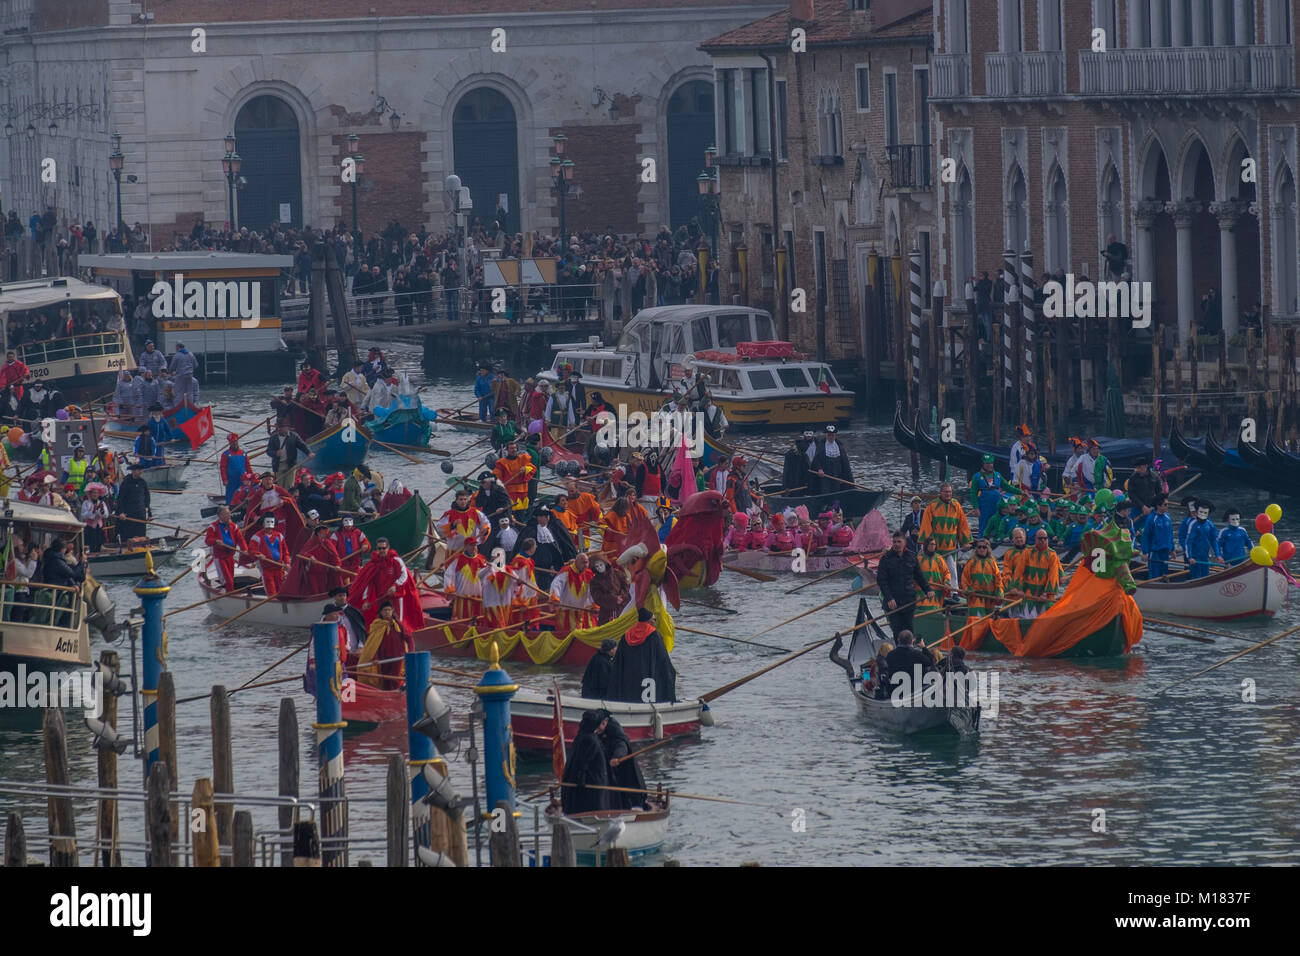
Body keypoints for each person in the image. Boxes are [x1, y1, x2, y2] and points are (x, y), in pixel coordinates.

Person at [348, 536, 423, 629]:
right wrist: (366, 600)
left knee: (397, 623)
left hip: (395, 597)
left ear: (388, 548)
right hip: (381, 599)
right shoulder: (373, 564)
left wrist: (395, 586)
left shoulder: (396, 561)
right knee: (383, 623)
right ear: (376, 549)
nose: (382, 550)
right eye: (379, 548)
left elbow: (404, 576)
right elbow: (368, 584)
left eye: (384, 548)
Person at [607, 607, 676, 703]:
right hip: (647, 677)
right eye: (654, 619)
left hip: (629, 676)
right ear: (648, 621)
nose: (655, 622)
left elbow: (619, 659)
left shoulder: (626, 635)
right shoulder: (654, 635)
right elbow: (663, 658)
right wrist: (670, 672)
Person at [876, 530, 930, 638]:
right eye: (894, 542)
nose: (896, 544)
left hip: (908, 601)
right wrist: (889, 597)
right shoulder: (886, 559)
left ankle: (909, 650)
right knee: (897, 631)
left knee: (909, 630)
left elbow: (919, 576)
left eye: (899, 542)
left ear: (904, 542)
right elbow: (881, 580)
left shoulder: (911, 557)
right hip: (893, 603)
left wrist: (928, 590)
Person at [511, 506, 577, 590]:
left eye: (545, 516)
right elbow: (522, 549)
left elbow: (565, 544)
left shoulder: (555, 527)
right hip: (537, 568)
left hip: (555, 567)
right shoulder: (530, 530)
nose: (542, 519)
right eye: (540, 516)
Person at [919, 481, 972, 583]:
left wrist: (965, 541)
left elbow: (963, 525)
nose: (948, 494)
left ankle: (953, 592)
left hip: (951, 547)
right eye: (946, 492)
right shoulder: (932, 506)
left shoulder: (956, 506)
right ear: (940, 493)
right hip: (936, 547)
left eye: (950, 492)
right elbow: (926, 526)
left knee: (952, 570)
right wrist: (928, 544)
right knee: (935, 569)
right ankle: (935, 588)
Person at [560, 711, 609, 814]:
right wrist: (581, 780)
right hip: (591, 784)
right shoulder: (589, 739)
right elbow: (582, 763)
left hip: (589, 781)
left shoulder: (583, 736)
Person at [597, 710, 647, 810]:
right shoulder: (598, 733)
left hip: (623, 770)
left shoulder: (615, 732)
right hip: (609, 771)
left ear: (605, 722)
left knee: (626, 793)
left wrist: (617, 757)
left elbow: (621, 746)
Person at [357, 601, 412, 689]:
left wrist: (410, 653)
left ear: (392, 611)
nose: (387, 612)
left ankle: (396, 696)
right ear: (381, 612)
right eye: (385, 610)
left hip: (397, 657)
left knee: (395, 679)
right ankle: (387, 697)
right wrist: (375, 658)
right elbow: (373, 645)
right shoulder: (376, 625)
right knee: (385, 679)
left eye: (389, 610)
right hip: (383, 658)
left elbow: (409, 638)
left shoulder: (398, 625)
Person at [1016, 529, 1062, 618]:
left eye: (1045, 538)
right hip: (1029, 593)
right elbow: (1019, 571)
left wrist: (1046, 594)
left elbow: (1053, 576)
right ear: (1036, 539)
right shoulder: (1027, 551)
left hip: (1045, 595)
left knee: (1046, 617)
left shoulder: (1052, 554)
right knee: (1027, 616)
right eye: (1040, 538)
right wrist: (1019, 589)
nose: (1043, 541)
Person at [204, 506, 249, 592]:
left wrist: (244, 550)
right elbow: (208, 541)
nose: (228, 516)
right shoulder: (213, 527)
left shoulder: (234, 526)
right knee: (227, 579)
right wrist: (215, 541)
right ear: (220, 515)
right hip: (220, 557)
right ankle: (230, 594)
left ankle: (230, 592)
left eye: (229, 514)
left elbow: (240, 539)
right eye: (226, 514)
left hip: (230, 556)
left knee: (231, 577)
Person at [549, 551, 596, 631]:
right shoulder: (566, 572)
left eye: (587, 562)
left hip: (584, 612)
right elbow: (556, 585)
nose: (585, 565)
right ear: (576, 562)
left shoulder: (589, 574)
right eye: (583, 563)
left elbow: (593, 591)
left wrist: (594, 604)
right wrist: (555, 598)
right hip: (567, 612)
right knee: (568, 635)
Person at [444, 537, 488, 620]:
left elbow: (486, 577)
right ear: (465, 547)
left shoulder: (481, 559)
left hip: (478, 597)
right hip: (462, 596)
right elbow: (448, 575)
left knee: (478, 619)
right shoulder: (458, 558)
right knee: (462, 618)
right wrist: (451, 590)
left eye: (475, 545)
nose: (473, 547)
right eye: (471, 545)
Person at [249, 515, 289, 597]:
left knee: (282, 592)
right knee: (272, 593)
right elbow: (251, 550)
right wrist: (259, 554)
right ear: (263, 524)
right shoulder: (256, 537)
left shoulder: (279, 536)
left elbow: (285, 552)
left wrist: (287, 563)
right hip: (267, 570)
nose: (269, 529)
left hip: (279, 569)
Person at [493, 441, 537, 515]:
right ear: (507, 450)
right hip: (510, 492)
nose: (514, 450)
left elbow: (533, 468)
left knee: (521, 513)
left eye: (515, 448)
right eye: (511, 448)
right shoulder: (502, 463)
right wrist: (497, 485)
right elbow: (496, 475)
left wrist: (526, 468)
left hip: (523, 491)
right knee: (511, 512)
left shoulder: (523, 459)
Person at [266, 419, 312, 489]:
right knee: (279, 486)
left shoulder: (294, 436)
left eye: (281, 427)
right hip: (278, 465)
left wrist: (309, 453)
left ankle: (288, 498)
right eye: (278, 427)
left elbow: (302, 445)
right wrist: (276, 453)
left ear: (287, 427)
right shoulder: (273, 438)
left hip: (291, 464)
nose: (280, 429)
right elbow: (268, 451)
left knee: (290, 486)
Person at [960, 539, 1004, 612]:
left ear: (988, 549)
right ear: (976, 549)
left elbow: (998, 580)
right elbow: (964, 579)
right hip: (975, 597)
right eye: (979, 547)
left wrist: (999, 593)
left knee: (989, 620)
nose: (981, 549)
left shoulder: (992, 562)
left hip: (990, 598)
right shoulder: (971, 562)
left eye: (984, 547)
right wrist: (968, 590)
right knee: (976, 619)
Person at [809, 424, 853, 497]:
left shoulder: (839, 446)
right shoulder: (821, 446)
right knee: (825, 493)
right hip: (825, 476)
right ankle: (826, 506)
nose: (831, 437)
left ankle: (834, 507)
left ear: (835, 435)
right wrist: (819, 469)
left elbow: (844, 462)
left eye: (832, 435)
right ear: (826, 435)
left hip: (837, 476)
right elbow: (816, 459)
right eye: (829, 435)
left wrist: (843, 475)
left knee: (836, 493)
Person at [968, 454, 1006, 536]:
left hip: (996, 504)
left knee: (997, 523)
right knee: (984, 524)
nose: (989, 465)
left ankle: (996, 539)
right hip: (984, 505)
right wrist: (976, 507)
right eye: (987, 463)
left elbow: (1007, 487)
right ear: (983, 464)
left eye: (991, 463)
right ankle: (982, 540)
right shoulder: (977, 476)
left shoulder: (997, 475)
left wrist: (1020, 492)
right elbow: (973, 494)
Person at [1185, 502, 1224, 579]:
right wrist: (1190, 557)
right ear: (1197, 512)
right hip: (1195, 558)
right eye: (1201, 512)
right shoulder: (1193, 524)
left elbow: (1214, 541)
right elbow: (1188, 542)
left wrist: (1218, 555)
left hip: (1205, 557)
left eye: (1205, 512)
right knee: (1196, 577)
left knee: (1205, 576)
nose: (1203, 514)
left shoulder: (1210, 524)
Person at [115, 461, 151, 543]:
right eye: (139, 470)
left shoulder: (143, 482)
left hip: (141, 514)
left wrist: (149, 513)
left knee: (141, 534)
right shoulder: (126, 482)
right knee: (129, 534)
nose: (141, 472)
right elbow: (120, 499)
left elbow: (147, 498)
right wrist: (121, 512)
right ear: (133, 471)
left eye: (141, 470)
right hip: (129, 514)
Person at [1141, 494, 1174, 579]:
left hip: (1165, 551)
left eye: (1167, 504)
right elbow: (1145, 536)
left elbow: (1170, 534)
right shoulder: (1151, 519)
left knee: (1164, 574)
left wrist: (1172, 549)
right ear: (1158, 506)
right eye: (1165, 504)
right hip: (1155, 552)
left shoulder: (1168, 517)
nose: (1167, 506)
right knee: (1155, 575)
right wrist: (1144, 553)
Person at [219, 433, 250, 505]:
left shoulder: (243, 453)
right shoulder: (225, 454)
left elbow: (248, 466)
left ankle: (243, 506)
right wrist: (224, 480)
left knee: (243, 494)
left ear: (237, 441)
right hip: (231, 481)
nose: (234, 443)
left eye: (235, 441)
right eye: (232, 442)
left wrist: (251, 477)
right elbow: (222, 468)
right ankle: (230, 507)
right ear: (229, 443)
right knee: (231, 495)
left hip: (243, 480)